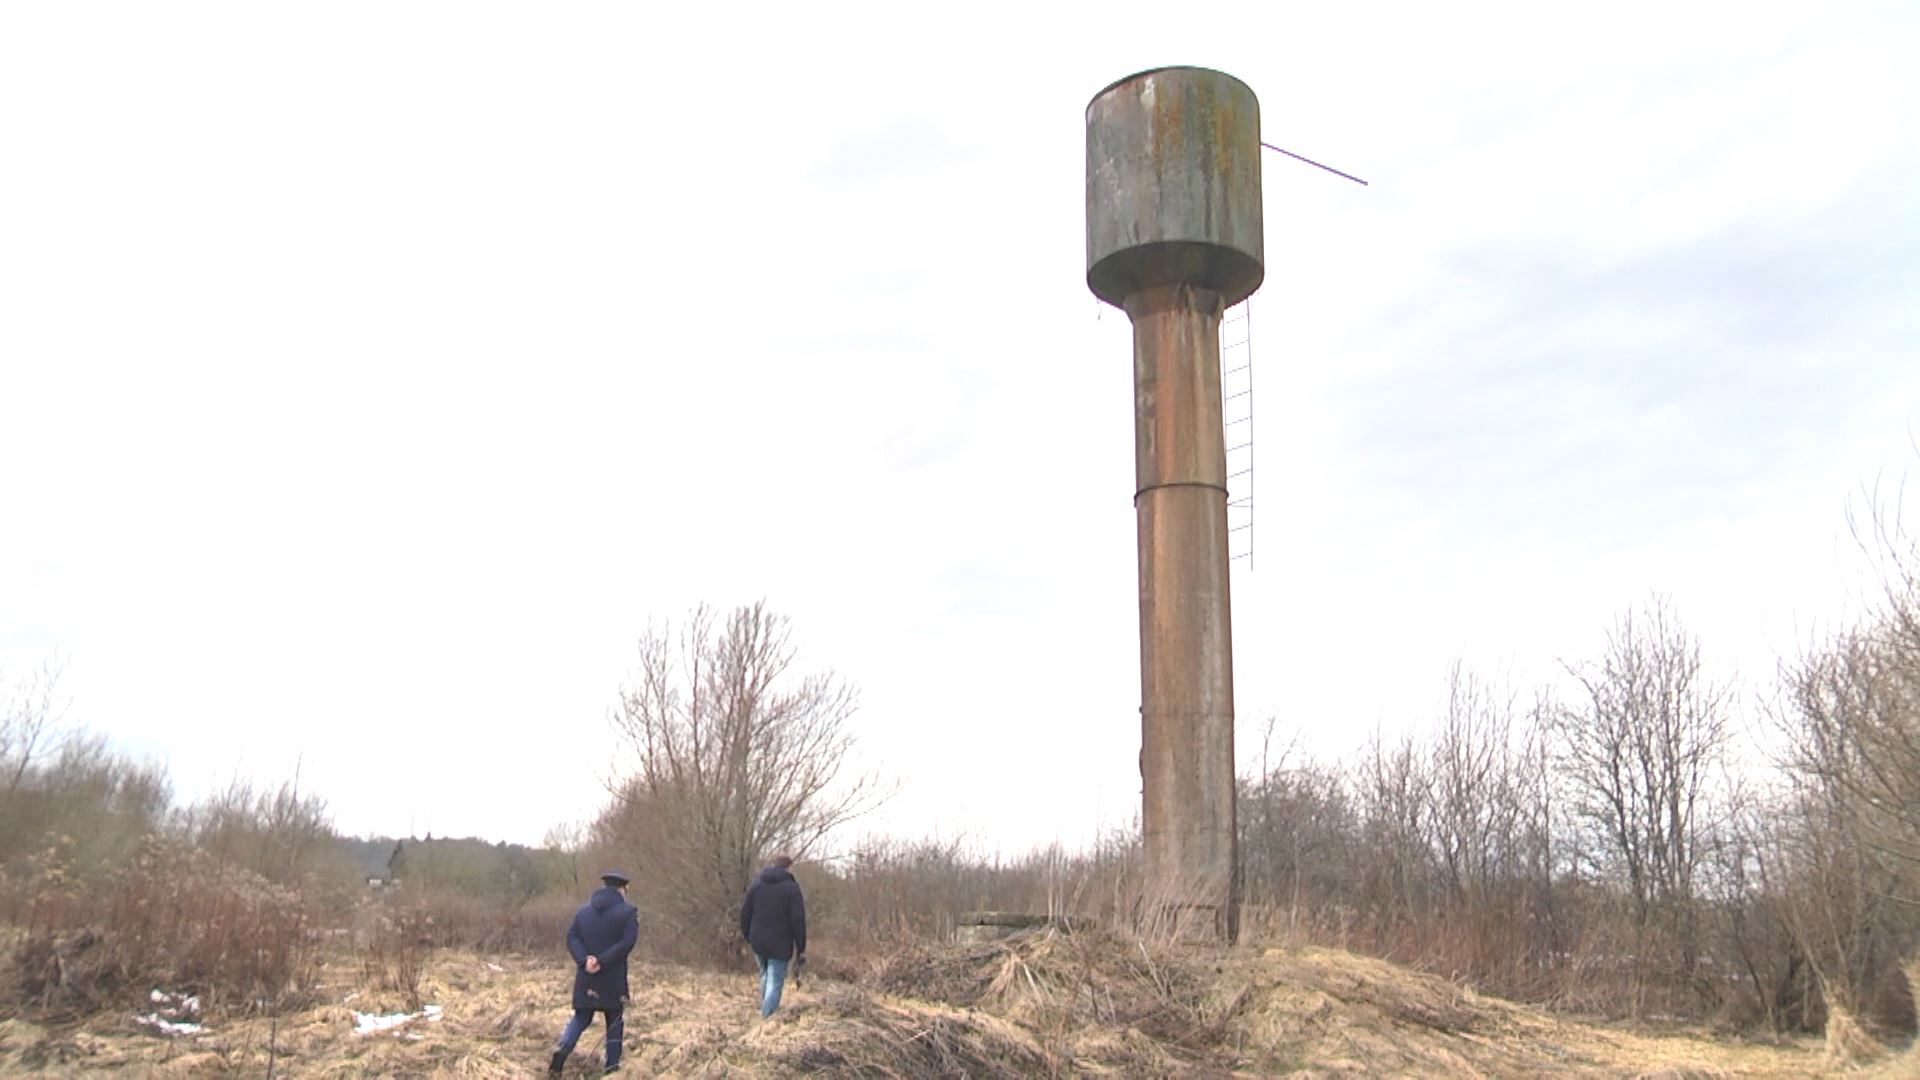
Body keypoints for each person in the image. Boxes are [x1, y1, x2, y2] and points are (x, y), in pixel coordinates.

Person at [549, 871, 639, 1076]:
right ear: (621, 889)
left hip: (586, 975)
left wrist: (584, 960)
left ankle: (561, 1052)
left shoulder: (583, 912)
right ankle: (612, 1067)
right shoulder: (628, 912)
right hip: (613, 976)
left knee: (581, 1016)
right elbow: (627, 943)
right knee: (614, 1019)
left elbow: (572, 937)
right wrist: (603, 961)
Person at [738, 853, 807, 1017]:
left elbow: (744, 913)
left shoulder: (757, 884)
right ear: (789, 868)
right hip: (780, 944)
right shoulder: (792, 889)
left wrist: (748, 935)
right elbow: (798, 920)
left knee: (765, 975)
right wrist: (800, 946)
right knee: (775, 982)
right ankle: (766, 1018)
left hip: (758, 941)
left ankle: (765, 1010)